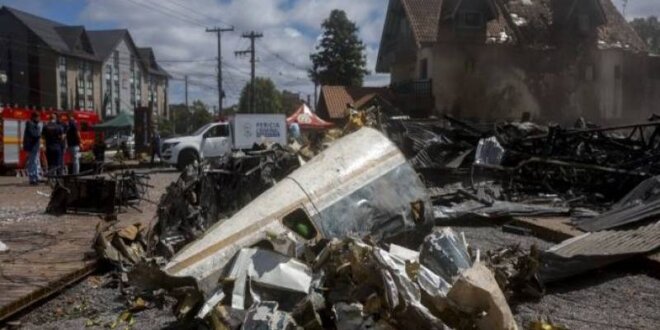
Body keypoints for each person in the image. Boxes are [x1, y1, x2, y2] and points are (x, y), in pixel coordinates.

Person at [23, 112, 42, 185]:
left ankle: (36, 177)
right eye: (38, 117)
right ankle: (33, 178)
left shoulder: (33, 124)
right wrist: (39, 131)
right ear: (34, 117)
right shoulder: (30, 124)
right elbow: (35, 134)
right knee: (33, 162)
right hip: (32, 147)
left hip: (35, 147)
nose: (39, 119)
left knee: (36, 162)